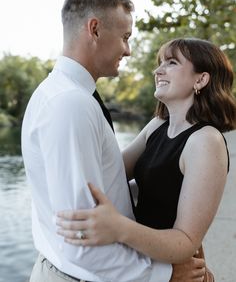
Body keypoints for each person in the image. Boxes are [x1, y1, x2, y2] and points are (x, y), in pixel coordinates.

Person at [22, 0, 204, 282]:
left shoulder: (61, 94)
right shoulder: (71, 104)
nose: (128, 50)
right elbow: (82, 241)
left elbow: (104, 184)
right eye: (125, 37)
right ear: (94, 29)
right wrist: (166, 274)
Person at [56, 38, 236, 276]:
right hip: (144, 266)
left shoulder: (205, 141)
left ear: (201, 79)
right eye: (160, 63)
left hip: (175, 270)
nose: (158, 70)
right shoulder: (158, 125)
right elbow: (112, 171)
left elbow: (185, 241)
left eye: (171, 63)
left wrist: (118, 228)